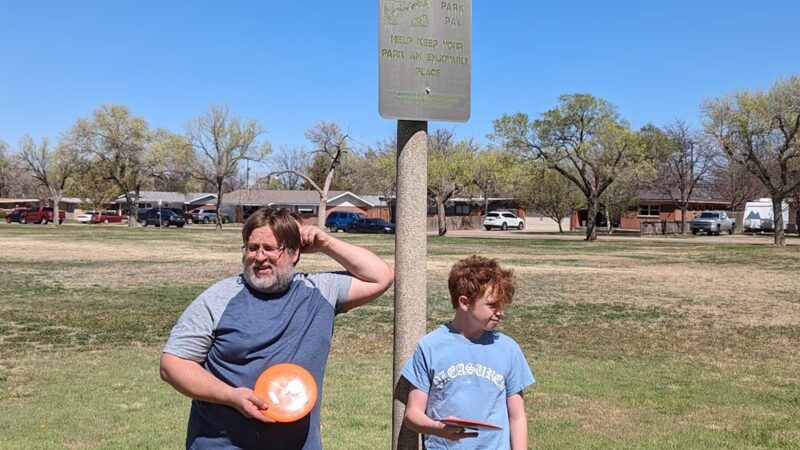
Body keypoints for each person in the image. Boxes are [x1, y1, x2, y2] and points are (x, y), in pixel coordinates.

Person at [160, 207, 394, 449]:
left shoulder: (319, 291)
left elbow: (381, 276)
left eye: (271, 249)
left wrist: (326, 243)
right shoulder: (219, 298)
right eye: (252, 248)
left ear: (294, 254)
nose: (260, 257)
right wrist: (231, 397)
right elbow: (173, 365)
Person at [401, 255, 535, 450]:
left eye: (502, 305)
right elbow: (412, 415)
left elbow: (517, 416)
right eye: (492, 305)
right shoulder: (430, 347)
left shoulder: (508, 349)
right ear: (464, 302)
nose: (500, 312)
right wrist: (438, 428)